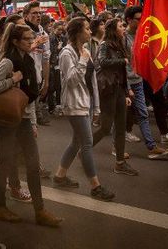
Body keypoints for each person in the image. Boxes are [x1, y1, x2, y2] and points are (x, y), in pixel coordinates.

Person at [0, 23, 63, 227]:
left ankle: (40, 210)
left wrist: (34, 121)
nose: (32, 42)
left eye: (32, 38)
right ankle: (0, 207)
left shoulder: (27, 58)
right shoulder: (8, 62)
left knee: (32, 164)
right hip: (8, 120)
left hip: (24, 118)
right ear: (15, 41)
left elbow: (31, 95)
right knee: (6, 163)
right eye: (27, 39)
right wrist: (13, 81)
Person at [53, 17, 115, 201]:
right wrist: (82, 60)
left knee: (76, 142)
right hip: (74, 103)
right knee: (87, 144)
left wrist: (95, 106)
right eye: (87, 29)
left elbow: (92, 80)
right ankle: (95, 186)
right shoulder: (67, 53)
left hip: (85, 102)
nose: (90, 31)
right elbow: (71, 80)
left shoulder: (85, 50)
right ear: (77, 32)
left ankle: (60, 176)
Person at [123, 6, 168, 159]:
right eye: (138, 19)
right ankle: (116, 148)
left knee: (143, 113)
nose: (142, 21)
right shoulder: (123, 38)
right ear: (129, 20)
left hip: (138, 80)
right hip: (125, 82)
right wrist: (126, 86)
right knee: (120, 116)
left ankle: (151, 146)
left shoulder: (142, 36)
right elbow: (121, 64)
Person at [93, 19, 138, 176]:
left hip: (119, 89)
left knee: (120, 126)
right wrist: (122, 61)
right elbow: (102, 62)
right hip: (109, 89)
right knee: (105, 127)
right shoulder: (105, 45)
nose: (124, 28)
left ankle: (120, 163)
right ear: (113, 29)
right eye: (121, 26)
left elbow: (122, 73)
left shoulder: (120, 44)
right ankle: (83, 149)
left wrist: (126, 91)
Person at [23, 1, 51, 126]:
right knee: (26, 116)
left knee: (30, 115)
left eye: (40, 13)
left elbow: (46, 59)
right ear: (26, 16)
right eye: (34, 13)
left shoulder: (44, 34)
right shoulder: (21, 32)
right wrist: (35, 44)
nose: (38, 16)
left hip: (37, 79)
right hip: (22, 79)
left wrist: (46, 82)